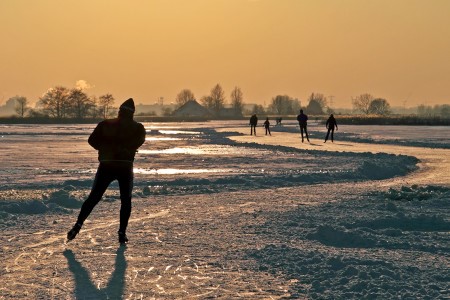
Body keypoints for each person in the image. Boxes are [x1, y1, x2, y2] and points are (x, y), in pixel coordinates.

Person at [67, 98, 146, 244]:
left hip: (106, 165)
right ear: (133, 113)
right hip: (125, 166)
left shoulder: (105, 124)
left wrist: (105, 149)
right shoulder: (138, 127)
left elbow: (91, 140)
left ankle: (78, 225)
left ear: (119, 111)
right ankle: (122, 233)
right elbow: (140, 141)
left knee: (94, 197)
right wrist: (126, 149)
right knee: (126, 200)